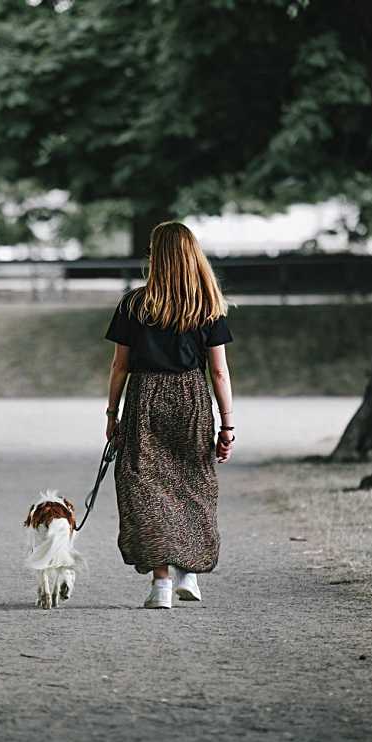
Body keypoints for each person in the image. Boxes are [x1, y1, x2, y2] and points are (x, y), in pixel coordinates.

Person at [104, 220, 235, 609]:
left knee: (142, 485)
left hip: (145, 397)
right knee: (194, 482)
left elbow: (119, 367)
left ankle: (161, 582)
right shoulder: (208, 306)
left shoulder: (134, 304)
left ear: (154, 257)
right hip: (192, 398)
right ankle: (188, 574)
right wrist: (227, 424)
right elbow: (219, 372)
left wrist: (112, 413)